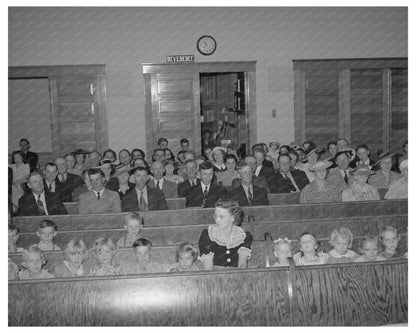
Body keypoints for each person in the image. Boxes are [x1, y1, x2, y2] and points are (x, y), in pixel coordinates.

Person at [198, 199, 253, 269]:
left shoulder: (243, 237)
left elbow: (242, 266)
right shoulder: (208, 235)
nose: (217, 220)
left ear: (233, 217)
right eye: (215, 216)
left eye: (221, 217)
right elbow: (208, 269)